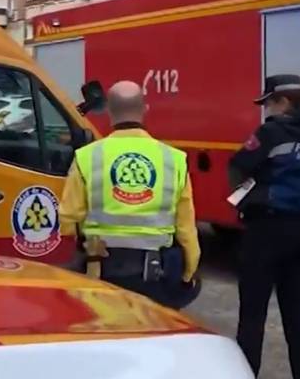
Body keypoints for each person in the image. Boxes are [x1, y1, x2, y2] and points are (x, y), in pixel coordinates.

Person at [59, 80, 200, 308]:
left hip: (100, 272)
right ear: (145, 110)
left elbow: (68, 218)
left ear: (109, 112)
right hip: (156, 277)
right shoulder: (174, 160)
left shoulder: (87, 157)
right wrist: (187, 274)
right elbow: (186, 229)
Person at [229, 74, 300, 379]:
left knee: (253, 315)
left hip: (267, 230)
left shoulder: (271, 132)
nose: (266, 110)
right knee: (296, 315)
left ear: (283, 102)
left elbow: (239, 164)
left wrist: (246, 196)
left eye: (268, 103)